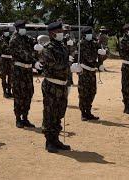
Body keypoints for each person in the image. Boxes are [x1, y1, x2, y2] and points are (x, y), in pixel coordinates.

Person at [40, 21, 71, 153]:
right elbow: (53, 65)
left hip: (62, 85)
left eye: (62, 32)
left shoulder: (62, 46)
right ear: (52, 33)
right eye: (59, 32)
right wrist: (68, 64)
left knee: (59, 113)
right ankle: (49, 141)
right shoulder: (48, 48)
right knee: (50, 113)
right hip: (52, 84)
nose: (62, 34)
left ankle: (56, 139)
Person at [9, 20, 43, 128]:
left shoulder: (25, 37)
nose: (24, 30)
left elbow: (33, 42)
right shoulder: (14, 40)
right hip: (18, 70)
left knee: (29, 93)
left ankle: (25, 117)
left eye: (25, 28)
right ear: (17, 29)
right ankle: (18, 118)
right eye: (22, 28)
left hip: (27, 71)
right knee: (19, 95)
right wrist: (34, 62)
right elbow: (23, 54)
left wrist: (38, 45)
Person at [78, 26, 106, 121]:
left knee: (92, 91)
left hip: (92, 71)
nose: (90, 35)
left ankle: (88, 112)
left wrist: (103, 53)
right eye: (89, 34)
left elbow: (102, 53)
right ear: (84, 35)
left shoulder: (94, 43)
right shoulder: (82, 44)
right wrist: (97, 60)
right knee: (83, 93)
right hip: (84, 71)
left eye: (91, 33)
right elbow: (89, 58)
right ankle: (83, 113)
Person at [0, 27, 13, 98]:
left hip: (10, 60)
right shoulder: (0, 39)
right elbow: (4, 48)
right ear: (3, 32)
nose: (7, 32)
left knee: (10, 77)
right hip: (3, 59)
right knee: (3, 76)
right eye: (6, 31)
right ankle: (4, 91)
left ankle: (9, 91)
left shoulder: (11, 39)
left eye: (8, 31)